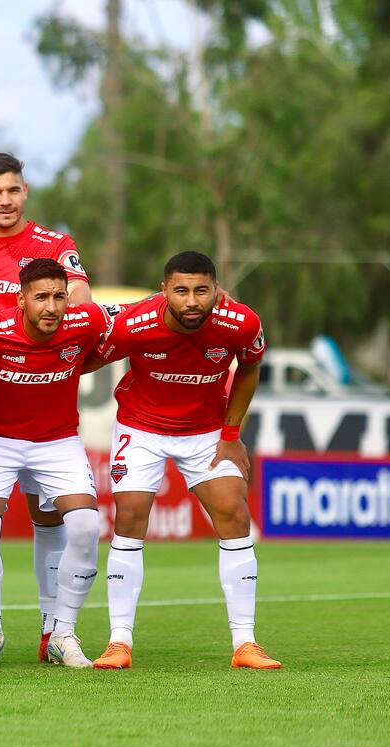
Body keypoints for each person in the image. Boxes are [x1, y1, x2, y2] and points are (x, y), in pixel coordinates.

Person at [89, 251, 281, 670]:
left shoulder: (241, 322)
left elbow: (250, 368)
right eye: (181, 291)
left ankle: (245, 644)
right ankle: (119, 642)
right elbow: (86, 359)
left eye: (201, 290)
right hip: (141, 428)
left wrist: (232, 435)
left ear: (215, 289)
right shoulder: (133, 324)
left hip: (206, 431)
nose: (192, 300)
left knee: (234, 513)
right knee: (131, 515)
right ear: (164, 291)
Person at [0, 152, 92, 661]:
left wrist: (56, 326)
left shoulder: (54, 244)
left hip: (49, 413)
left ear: (24, 192)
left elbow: (82, 296)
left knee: (54, 524)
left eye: (13, 190)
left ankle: (55, 631)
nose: (5, 200)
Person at [0, 259, 109, 667]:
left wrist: (214, 300)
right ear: (20, 299)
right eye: (41, 297)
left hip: (57, 441)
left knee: (86, 526)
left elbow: (141, 315)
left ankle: (62, 633)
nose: (52, 307)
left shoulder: (86, 321)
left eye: (59, 296)